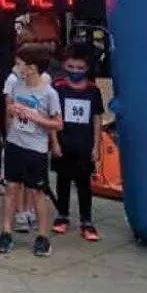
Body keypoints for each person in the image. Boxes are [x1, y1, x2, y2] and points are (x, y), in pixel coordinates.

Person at [1, 43, 64, 256]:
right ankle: (6, 231)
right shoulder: (17, 84)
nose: (16, 67)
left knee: (37, 192)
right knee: (11, 188)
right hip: (14, 143)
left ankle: (43, 235)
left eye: (20, 64)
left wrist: (37, 118)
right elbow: (9, 107)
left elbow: (58, 123)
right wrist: (13, 109)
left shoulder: (49, 93)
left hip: (35, 148)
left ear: (33, 67)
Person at [52, 45, 104, 241]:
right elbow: (52, 115)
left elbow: (97, 118)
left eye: (80, 68)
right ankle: (62, 215)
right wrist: (54, 142)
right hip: (64, 142)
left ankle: (87, 220)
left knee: (84, 183)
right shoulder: (58, 87)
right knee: (63, 180)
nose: (75, 71)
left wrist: (96, 146)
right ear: (64, 65)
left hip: (84, 144)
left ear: (87, 68)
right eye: (71, 67)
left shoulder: (93, 91)